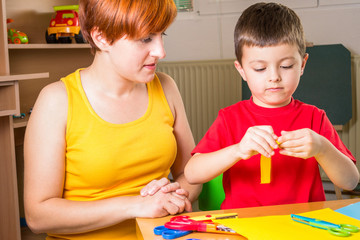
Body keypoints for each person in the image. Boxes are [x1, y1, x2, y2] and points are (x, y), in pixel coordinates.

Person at [23, 0, 201, 239]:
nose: (161, 51)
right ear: (102, 37)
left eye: (162, 35)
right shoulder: (57, 101)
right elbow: (37, 216)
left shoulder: (166, 86)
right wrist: (135, 205)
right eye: (146, 38)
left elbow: (192, 173)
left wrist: (175, 195)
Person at [184, 2, 359, 210]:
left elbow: (350, 181)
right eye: (260, 68)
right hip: (246, 225)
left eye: (286, 66)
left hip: (304, 224)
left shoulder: (315, 117)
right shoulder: (230, 118)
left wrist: (322, 148)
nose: (274, 77)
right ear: (241, 70)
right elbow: (192, 174)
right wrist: (239, 150)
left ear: (302, 65)